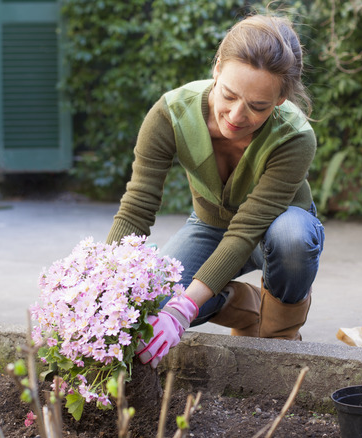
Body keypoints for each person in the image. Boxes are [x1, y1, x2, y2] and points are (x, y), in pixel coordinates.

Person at [105, 13, 325, 368]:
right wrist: (104, 284)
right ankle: (245, 307)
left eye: (258, 106)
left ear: (281, 98)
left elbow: (247, 230)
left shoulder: (295, 137)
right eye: (229, 95)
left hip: (274, 227)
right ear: (217, 69)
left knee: (292, 238)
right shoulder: (171, 114)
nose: (237, 115)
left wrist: (186, 307)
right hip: (209, 226)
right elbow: (137, 208)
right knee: (153, 305)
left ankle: (278, 342)